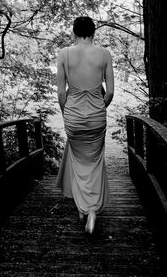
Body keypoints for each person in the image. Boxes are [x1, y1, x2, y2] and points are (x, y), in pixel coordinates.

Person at [56, 16, 114, 234]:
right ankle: (91, 210)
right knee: (95, 161)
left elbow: (62, 93)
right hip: (97, 117)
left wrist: (67, 113)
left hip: (73, 117)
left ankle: (83, 209)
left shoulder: (64, 54)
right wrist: (99, 108)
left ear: (73, 33)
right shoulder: (104, 54)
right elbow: (109, 92)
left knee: (78, 160)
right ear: (94, 33)